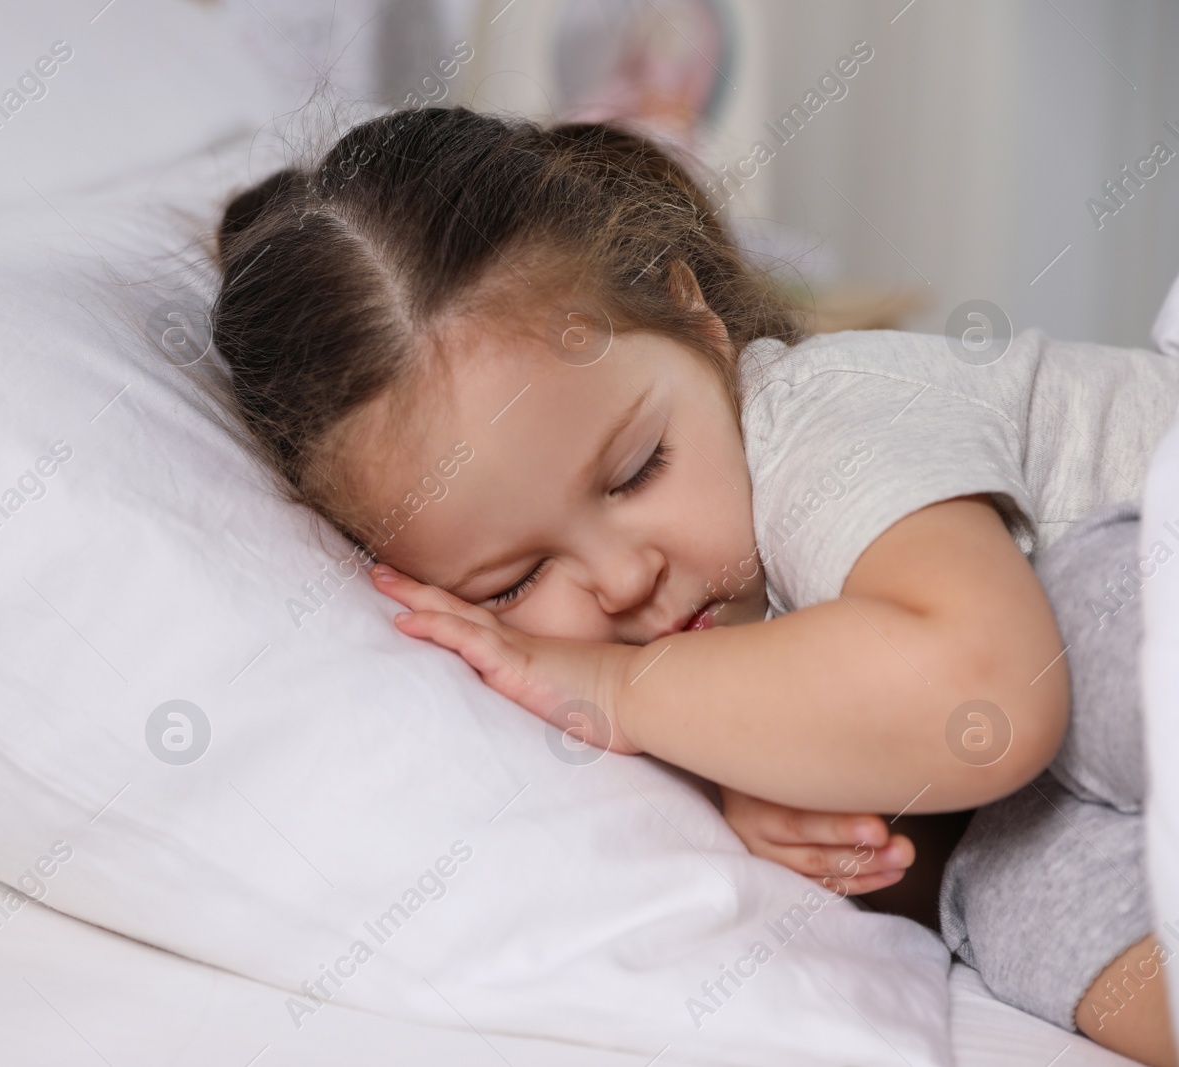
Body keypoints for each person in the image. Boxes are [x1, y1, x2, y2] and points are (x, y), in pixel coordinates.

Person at [208, 104, 1179, 1064]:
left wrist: (624, 690)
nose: (625, 578)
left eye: (637, 470)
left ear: (699, 324)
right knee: (1005, 889)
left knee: (1085, 609)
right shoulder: (715, 690)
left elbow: (988, 694)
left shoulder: (825, 417)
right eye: (512, 581)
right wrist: (801, 788)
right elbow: (959, 796)